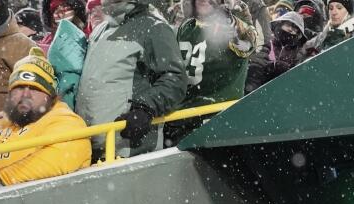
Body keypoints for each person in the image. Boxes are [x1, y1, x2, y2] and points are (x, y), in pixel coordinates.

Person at [0, 48, 89, 197]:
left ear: (50, 94)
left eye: (34, 88)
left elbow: (63, 156)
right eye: (19, 88)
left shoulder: (65, 120)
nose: (25, 94)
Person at [75, 0, 185, 158]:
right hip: (91, 147)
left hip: (129, 147)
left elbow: (175, 78)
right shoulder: (100, 29)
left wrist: (146, 108)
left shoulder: (154, 27)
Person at [166, 0, 256, 144]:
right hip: (180, 116)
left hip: (217, 118)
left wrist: (230, 23)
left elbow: (246, 40)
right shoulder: (187, 26)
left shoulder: (231, 25)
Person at [36, 0, 86, 109]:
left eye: (66, 7)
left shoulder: (87, 40)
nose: (60, 13)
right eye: (55, 9)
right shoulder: (43, 45)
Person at [244, 9, 306, 92]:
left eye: (295, 29)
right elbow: (255, 65)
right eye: (289, 25)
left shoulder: (298, 53)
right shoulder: (267, 41)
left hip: (281, 92)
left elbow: (296, 80)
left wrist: (286, 72)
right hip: (257, 89)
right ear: (281, 23)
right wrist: (271, 68)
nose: (291, 29)